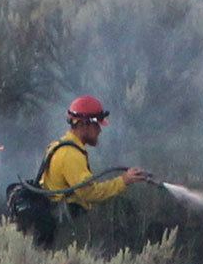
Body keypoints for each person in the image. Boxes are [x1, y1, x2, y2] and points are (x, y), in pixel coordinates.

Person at [35, 95, 149, 247]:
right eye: (97, 125)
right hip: (64, 228)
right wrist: (124, 181)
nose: (100, 130)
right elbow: (90, 193)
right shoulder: (70, 155)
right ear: (83, 124)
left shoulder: (59, 145)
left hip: (57, 222)